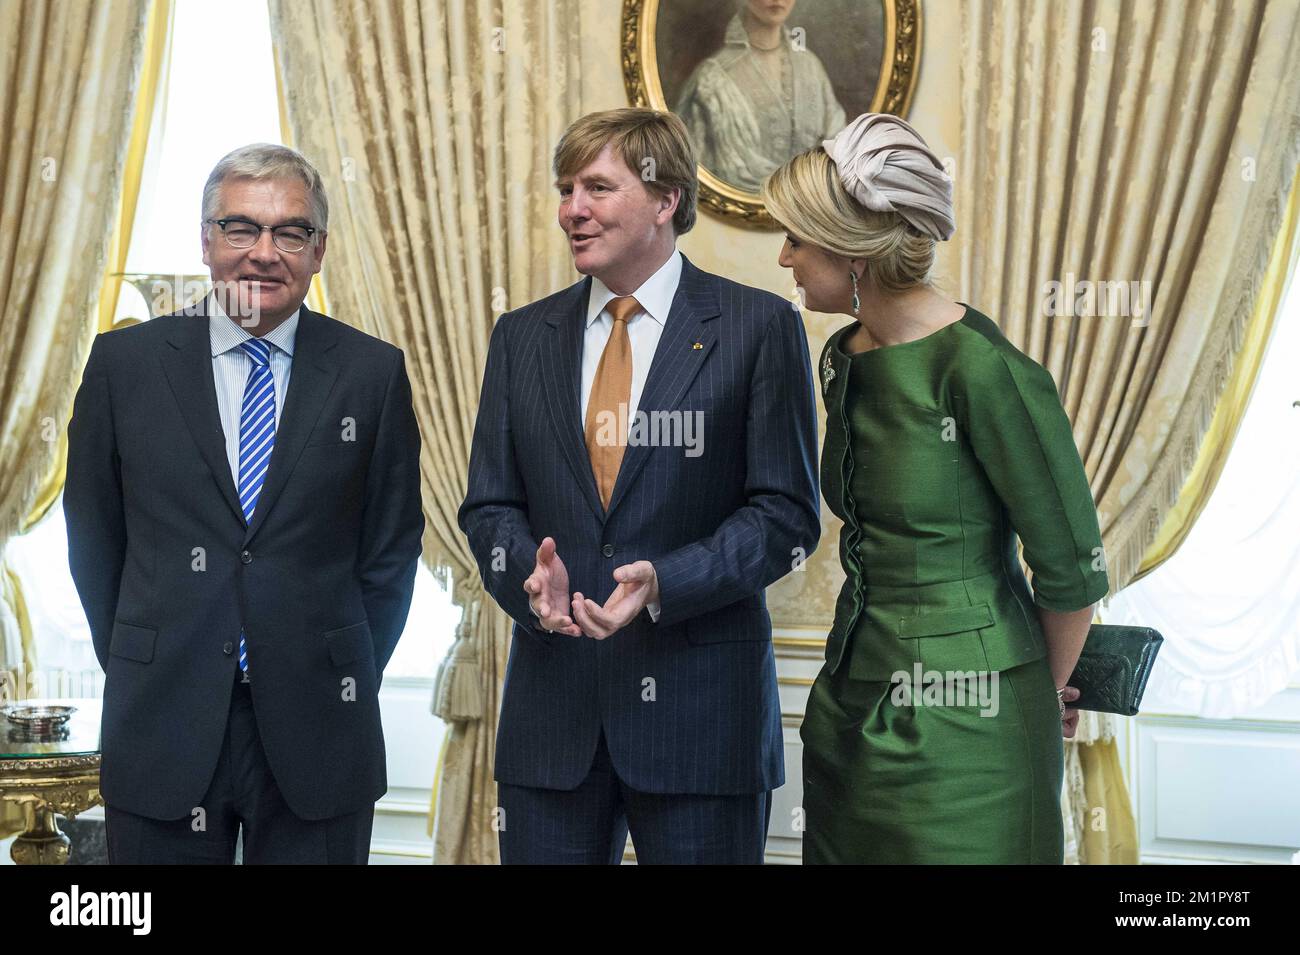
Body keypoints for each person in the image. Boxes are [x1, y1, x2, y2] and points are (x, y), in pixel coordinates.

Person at [458, 107, 820, 864]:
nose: (572, 210)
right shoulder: (521, 336)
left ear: (666, 200)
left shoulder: (756, 328)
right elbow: (490, 504)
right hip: (553, 725)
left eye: (596, 186)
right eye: (565, 189)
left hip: (702, 726)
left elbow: (785, 517)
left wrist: (664, 579)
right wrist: (526, 573)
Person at [761, 113, 1110, 864]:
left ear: (852, 249)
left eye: (797, 236)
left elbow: (1073, 570)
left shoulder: (981, 369)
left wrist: (1038, 698)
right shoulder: (842, 355)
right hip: (848, 713)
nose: (783, 255)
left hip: (972, 732)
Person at [64, 143, 424, 864]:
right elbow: (95, 541)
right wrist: (152, 656)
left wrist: (331, 664)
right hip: (162, 719)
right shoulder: (124, 367)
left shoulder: (371, 374)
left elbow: (389, 555)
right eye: (240, 229)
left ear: (318, 250)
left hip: (321, 727)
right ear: (206, 242)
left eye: (290, 231)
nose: (264, 253)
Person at [676, 0, 845, 192]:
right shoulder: (712, 78)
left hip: (812, 211)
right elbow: (696, 173)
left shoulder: (810, 67)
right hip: (729, 216)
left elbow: (837, 144)